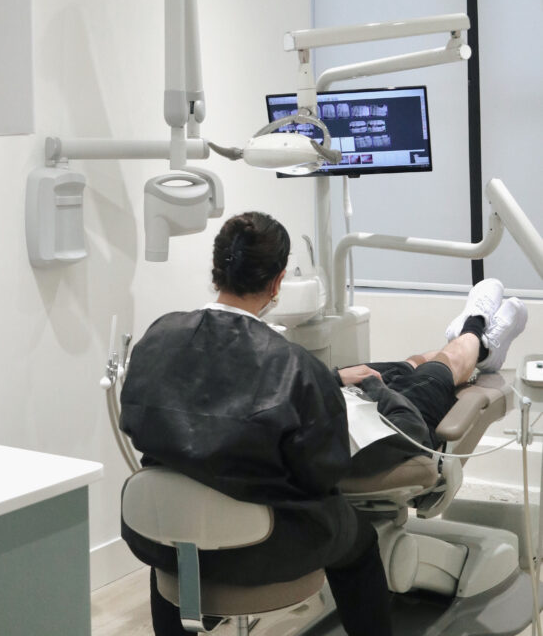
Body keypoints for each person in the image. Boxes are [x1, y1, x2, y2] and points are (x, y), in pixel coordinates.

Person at [119, 211, 527, 636]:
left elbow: (158, 415)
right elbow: (324, 471)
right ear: (277, 283)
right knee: (359, 538)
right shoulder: (286, 363)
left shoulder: (158, 337)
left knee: (386, 372)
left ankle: (472, 335)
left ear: (217, 270)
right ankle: (475, 335)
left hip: (163, 539)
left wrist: (328, 382)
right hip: (265, 546)